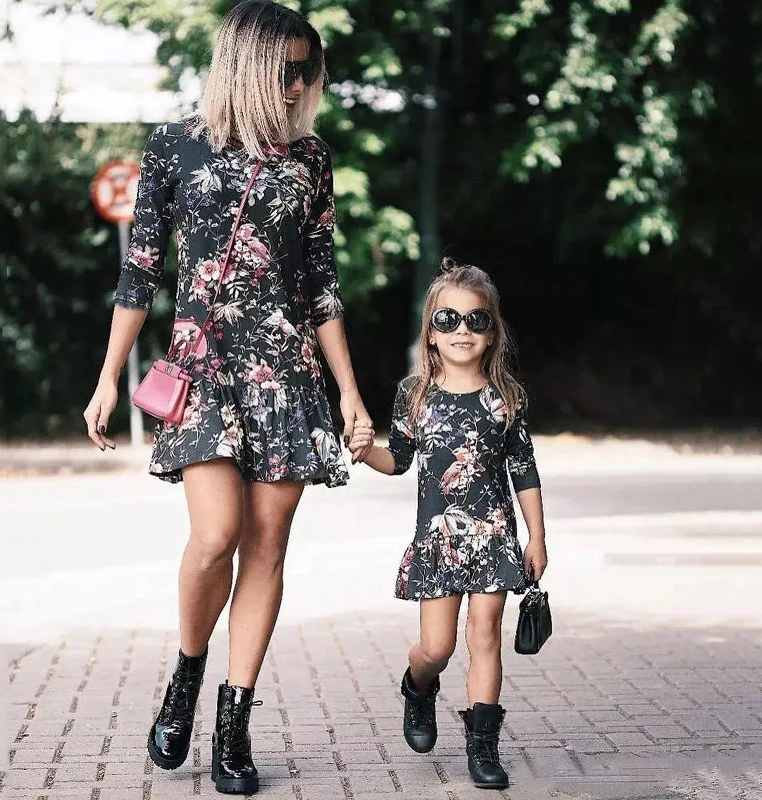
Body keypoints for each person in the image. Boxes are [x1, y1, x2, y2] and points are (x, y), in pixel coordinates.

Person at [82, 1, 375, 794]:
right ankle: (186, 675)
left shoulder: (310, 159)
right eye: (288, 68)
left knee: (268, 543)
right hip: (204, 367)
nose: (301, 83)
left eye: (308, 70)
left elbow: (321, 288)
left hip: (285, 373)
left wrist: (351, 394)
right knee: (215, 537)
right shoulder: (176, 144)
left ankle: (234, 723)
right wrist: (110, 375)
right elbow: (139, 271)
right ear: (246, 62)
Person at [354, 258, 548, 790]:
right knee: (435, 649)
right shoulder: (414, 396)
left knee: (484, 636)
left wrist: (537, 536)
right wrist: (363, 450)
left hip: (494, 537)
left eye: (475, 320)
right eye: (448, 320)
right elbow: (398, 459)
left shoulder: (505, 398)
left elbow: (524, 469)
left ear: (492, 333)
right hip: (438, 542)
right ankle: (419, 689)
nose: (462, 330)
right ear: (431, 333)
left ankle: (483, 748)